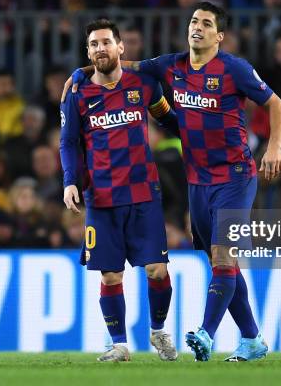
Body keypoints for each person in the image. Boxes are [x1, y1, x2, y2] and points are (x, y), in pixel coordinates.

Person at [64, 2, 281, 362]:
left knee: (223, 257)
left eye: (207, 23)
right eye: (194, 20)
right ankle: (252, 339)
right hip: (197, 181)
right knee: (222, 264)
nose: (197, 26)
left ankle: (205, 334)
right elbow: (125, 65)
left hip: (235, 176)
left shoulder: (235, 69)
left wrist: (274, 148)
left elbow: (276, 104)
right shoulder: (171, 65)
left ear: (220, 35)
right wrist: (81, 72)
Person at [60, 19, 179, 362]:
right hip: (102, 198)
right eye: (94, 44)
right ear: (88, 52)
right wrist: (70, 180)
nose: (100, 48)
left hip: (143, 193)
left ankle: (158, 331)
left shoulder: (144, 84)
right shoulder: (78, 94)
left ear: (120, 47)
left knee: (157, 269)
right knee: (111, 275)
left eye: (106, 42)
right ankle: (119, 344)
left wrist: (200, 131)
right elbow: (68, 143)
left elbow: (168, 119)